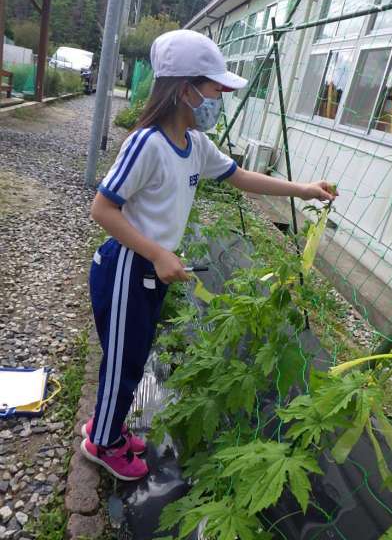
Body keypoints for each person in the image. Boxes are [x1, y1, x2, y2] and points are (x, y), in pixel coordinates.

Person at [80, 30, 337, 481]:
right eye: (216, 89)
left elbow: (240, 177)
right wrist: (158, 253)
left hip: (150, 271)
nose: (220, 99)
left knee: (134, 357)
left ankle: (109, 428)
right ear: (186, 91)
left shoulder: (195, 144)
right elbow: (102, 209)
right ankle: (101, 443)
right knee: (122, 364)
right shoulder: (147, 144)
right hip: (125, 268)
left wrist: (302, 190)